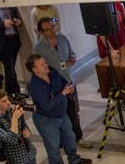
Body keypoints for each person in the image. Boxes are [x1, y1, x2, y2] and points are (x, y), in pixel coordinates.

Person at [26, 54, 92, 164]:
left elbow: (64, 83)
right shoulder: (35, 86)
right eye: (42, 65)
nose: (46, 66)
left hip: (62, 114)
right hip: (46, 119)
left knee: (70, 137)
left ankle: (74, 159)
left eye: (45, 63)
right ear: (34, 69)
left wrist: (70, 88)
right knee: (53, 146)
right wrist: (62, 94)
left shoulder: (53, 72)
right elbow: (46, 105)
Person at [32, 17, 89, 147]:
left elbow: (71, 53)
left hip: (69, 80)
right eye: (47, 30)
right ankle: (64, 141)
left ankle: (78, 137)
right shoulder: (39, 48)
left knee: (73, 112)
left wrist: (72, 59)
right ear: (41, 32)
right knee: (60, 116)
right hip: (56, 86)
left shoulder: (62, 39)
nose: (51, 31)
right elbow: (35, 67)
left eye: (52, 27)